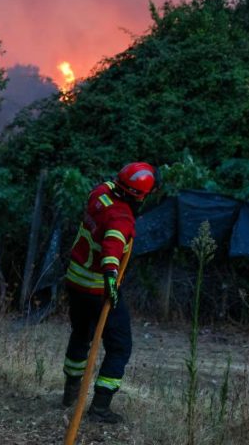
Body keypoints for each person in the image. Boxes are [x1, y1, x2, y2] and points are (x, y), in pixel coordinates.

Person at [61, 162, 158, 424]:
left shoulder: (99, 193)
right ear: (139, 196)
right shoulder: (121, 218)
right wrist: (112, 282)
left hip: (75, 280)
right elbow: (112, 250)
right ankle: (100, 407)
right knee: (119, 346)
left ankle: (70, 392)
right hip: (97, 288)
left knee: (81, 335)